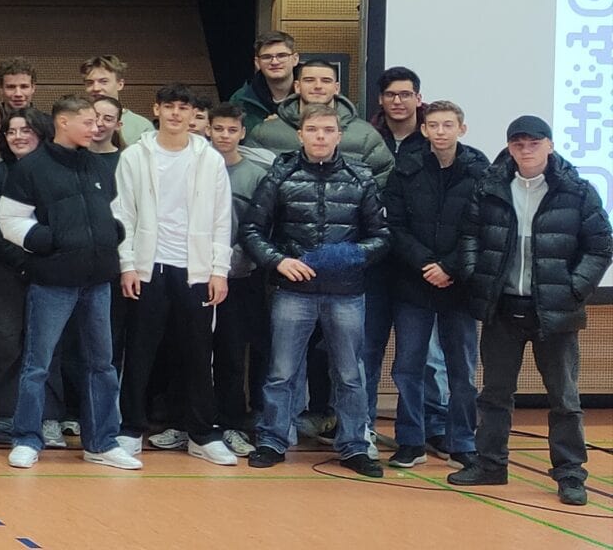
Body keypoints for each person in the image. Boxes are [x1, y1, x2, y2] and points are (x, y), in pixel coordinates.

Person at [445, 115, 613, 506]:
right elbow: (469, 235)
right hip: (503, 307)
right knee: (494, 394)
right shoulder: (490, 188)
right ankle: (490, 465)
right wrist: (475, 276)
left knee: (564, 399)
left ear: (550, 146)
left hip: (554, 311)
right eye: (518, 143)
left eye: (534, 143)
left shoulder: (576, 191)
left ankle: (570, 474)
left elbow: (600, 245)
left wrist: (574, 288)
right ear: (510, 148)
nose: (526, 149)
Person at [240, 104, 389, 476]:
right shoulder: (280, 174)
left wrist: (352, 254)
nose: (320, 136)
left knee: (350, 373)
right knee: (281, 371)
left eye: (327, 130)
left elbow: (382, 236)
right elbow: (252, 231)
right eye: (313, 130)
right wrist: (278, 261)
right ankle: (274, 439)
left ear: (339, 136)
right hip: (293, 292)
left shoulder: (360, 177)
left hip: (346, 293)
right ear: (300, 134)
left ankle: (355, 445)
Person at [0, 95, 139, 472]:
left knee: (102, 364)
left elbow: (118, 212)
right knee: (38, 364)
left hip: (98, 282)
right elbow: (8, 221)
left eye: (98, 122)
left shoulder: (100, 166)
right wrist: (49, 241)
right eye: (88, 122)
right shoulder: (31, 169)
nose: (97, 128)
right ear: (63, 123)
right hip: (53, 281)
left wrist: (114, 234)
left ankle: (102, 441)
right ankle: (27, 437)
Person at [109, 84, 237, 465]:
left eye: (184, 108)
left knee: (198, 353)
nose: (177, 114)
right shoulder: (135, 156)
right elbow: (123, 214)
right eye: (170, 107)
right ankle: (130, 428)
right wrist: (127, 264)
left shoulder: (209, 159)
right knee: (140, 352)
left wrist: (219, 270)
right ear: (157, 110)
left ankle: (202, 433)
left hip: (195, 271)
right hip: (149, 269)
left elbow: (220, 217)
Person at [383, 100, 482, 468]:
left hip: (460, 286)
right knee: (408, 366)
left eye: (448, 125)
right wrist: (426, 263)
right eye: (433, 125)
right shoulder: (405, 170)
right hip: (413, 283)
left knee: (462, 370)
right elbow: (394, 226)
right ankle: (410, 440)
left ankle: (462, 441)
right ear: (423, 130)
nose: (440, 131)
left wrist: (451, 267)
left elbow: (483, 227)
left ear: (462, 129)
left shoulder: (481, 172)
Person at [205, 105, 275, 455]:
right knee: (195, 352)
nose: (224, 136)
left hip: (240, 277)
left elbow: (258, 226)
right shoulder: (196, 168)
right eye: (218, 129)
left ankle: (233, 423)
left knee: (233, 353)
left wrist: (234, 261)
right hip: (195, 276)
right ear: (209, 131)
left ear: (241, 133)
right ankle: (191, 422)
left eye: (231, 130)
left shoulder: (255, 174)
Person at [0, 107, 44, 444]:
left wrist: (44, 258)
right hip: (1, 273)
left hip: (48, 272)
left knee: (46, 347)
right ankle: (1, 415)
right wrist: (21, 258)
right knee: (4, 343)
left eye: (25, 130)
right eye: (12, 131)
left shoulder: (54, 173)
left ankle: (48, 416)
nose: (18, 136)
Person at [247, 60, 395, 181]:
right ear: (297, 86)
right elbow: (252, 181)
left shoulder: (365, 135)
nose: (318, 86)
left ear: (336, 88)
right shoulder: (265, 133)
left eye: (326, 81)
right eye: (309, 80)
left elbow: (384, 177)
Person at [227, 31, 301, 127]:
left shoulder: (311, 95)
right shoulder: (241, 99)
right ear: (257, 63)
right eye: (266, 57)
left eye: (282, 55)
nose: (274, 62)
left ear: (295, 59)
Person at [80, 56, 157, 146]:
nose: (96, 88)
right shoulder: (76, 120)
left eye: (103, 81)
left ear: (120, 84)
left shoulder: (142, 127)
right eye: (90, 83)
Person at [370, 68, 426, 158]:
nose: (397, 101)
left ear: (418, 99)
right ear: (380, 99)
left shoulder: (434, 138)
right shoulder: (369, 138)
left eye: (405, 95)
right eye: (390, 94)